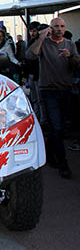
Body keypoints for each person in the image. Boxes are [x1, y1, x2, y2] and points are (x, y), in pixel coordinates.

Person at [26, 17, 80, 179]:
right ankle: (63, 164)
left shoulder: (70, 44)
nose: (59, 29)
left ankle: (49, 154)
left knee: (60, 128)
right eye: (56, 26)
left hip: (66, 89)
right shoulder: (44, 43)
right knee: (56, 127)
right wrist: (41, 37)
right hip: (48, 90)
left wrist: (70, 57)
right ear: (50, 28)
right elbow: (30, 55)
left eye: (62, 26)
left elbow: (77, 62)